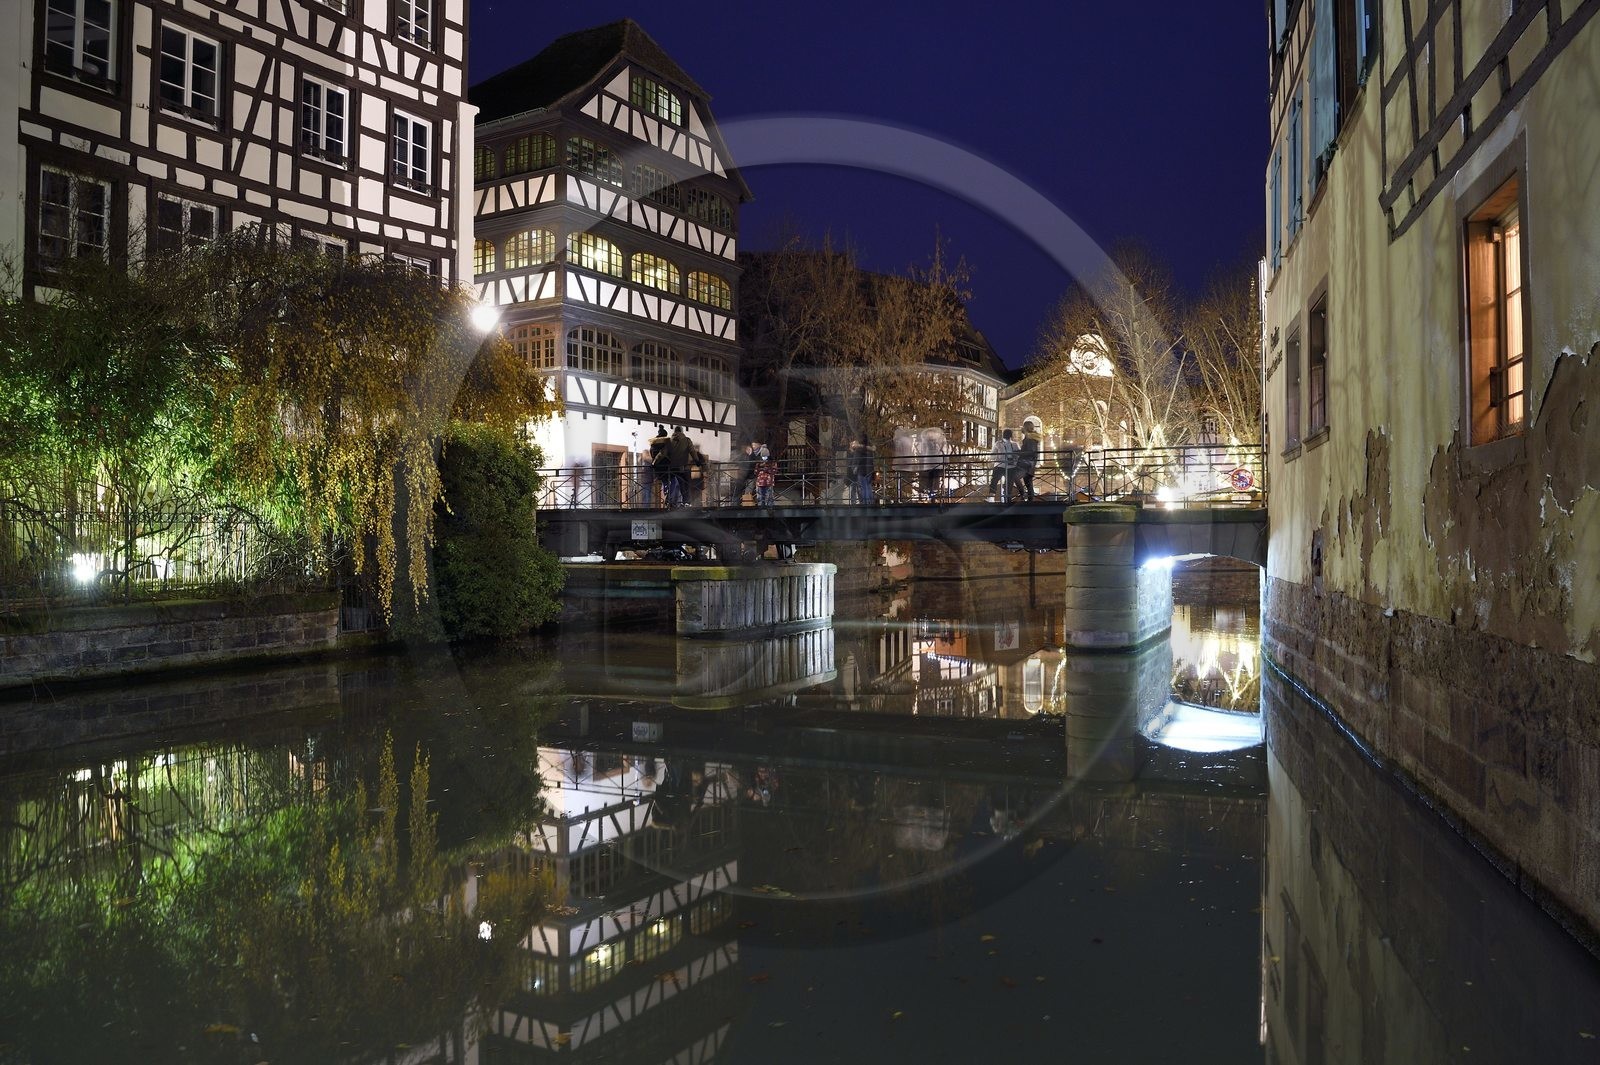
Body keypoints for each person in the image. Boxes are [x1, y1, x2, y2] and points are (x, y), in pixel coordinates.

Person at [989, 428, 1021, 502]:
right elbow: (992, 456)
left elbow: (992, 456)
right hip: (1005, 466)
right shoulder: (1000, 444)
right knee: (998, 481)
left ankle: (1000, 497)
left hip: (1006, 466)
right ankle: (997, 497)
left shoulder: (1012, 444)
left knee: (1001, 482)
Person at [664, 426, 693, 507]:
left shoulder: (670, 441)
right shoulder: (686, 440)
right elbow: (691, 452)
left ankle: (670, 502)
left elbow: (665, 454)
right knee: (685, 485)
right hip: (685, 466)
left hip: (675, 467)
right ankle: (686, 502)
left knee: (677, 484)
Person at [1018, 418, 1042, 501]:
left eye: (1023, 427)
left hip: (1026, 463)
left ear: (1026, 427)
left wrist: (1019, 453)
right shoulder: (1031, 438)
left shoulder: (1030, 439)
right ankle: (1030, 499)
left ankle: (1023, 495)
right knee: (1028, 482)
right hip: (1030, 463)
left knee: (1014, 476)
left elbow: (1031, 452)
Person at [732, 439, 763, 505]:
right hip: (742, 476)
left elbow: (757, 463)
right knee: (738, 491)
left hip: (750, 476)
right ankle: (735, 504)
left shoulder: (754, 455)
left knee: (748, 492)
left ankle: (746, 505)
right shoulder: (742, 455)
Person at [849, 433, 876, 505]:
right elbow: (872, 460)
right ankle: (871, 501)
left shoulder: (858, 450)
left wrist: (854, 468)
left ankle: (866, 502)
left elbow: (856, 460)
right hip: (869, 469)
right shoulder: (870, 449)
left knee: (864, 487)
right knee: (868, 486)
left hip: (861, 470)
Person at [647, 425, 670, 507]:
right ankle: (668, 498)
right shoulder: (665, 444)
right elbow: (666, 454)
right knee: (670, 482)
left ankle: (666, 497)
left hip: (657, 468)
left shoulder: (653, 444)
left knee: (664, 482)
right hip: (666, 466)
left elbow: (652, 455)